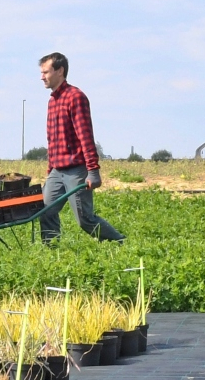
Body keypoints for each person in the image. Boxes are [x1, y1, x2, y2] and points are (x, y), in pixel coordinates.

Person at [36, 52, 124, 245]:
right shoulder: (52, 101)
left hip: (76, 169)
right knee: (45, 211)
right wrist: (50, 169)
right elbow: (53, 140)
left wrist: (92, 171)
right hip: (57, 170)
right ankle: (51, 252)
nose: (42, 76)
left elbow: (85, 136)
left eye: (45, 72)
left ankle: (119, 242)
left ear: (60, 71)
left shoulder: (75, 97)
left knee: (85, 219)